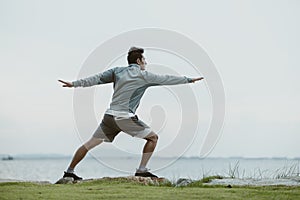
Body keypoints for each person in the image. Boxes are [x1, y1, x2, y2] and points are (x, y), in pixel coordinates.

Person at [58, 47, 203, 180]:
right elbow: (167, 78)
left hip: (109, 117)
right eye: (144, 60)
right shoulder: (144, 75)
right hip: (124, 118)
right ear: (139, 61)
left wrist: (74, 84)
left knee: (90, 143)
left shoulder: (117, 71)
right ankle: (142, 170)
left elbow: (96, 79)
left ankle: (69, 172)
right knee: (153, 138)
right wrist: (189, 80)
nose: (146, 63)